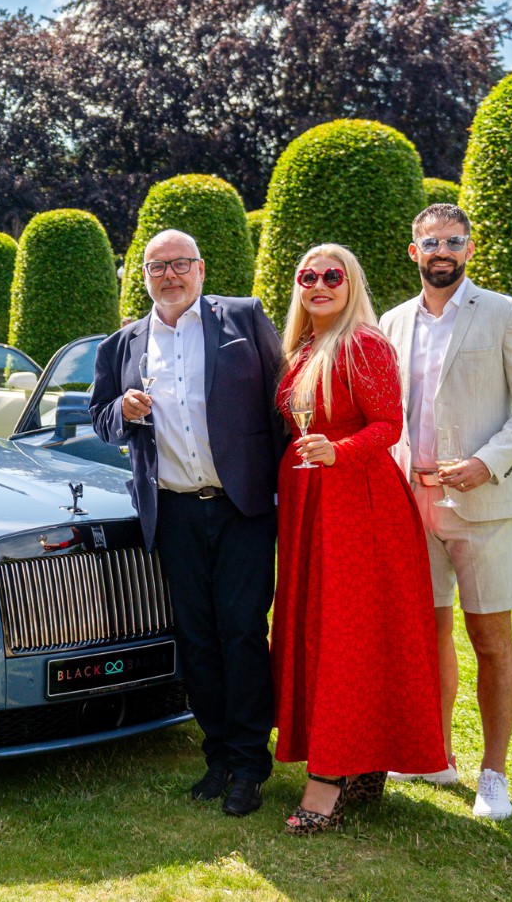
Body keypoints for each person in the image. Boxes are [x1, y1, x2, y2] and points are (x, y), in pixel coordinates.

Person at [89, 230, 286, 817]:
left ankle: (251, 763)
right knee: (196, 639)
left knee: (243, 630)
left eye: (179, 264)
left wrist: (285, 488)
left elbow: (282, 402)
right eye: (156, 267)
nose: (168, 275)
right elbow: (99, 418)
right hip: (172, 510)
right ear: (142, 277)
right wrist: (121, 411)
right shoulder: (123, 344)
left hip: (242, 507)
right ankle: (218, 756)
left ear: (200, 269)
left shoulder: (244, 319)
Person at [379, 204, 512, 820]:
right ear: (414, 251)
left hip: (482, 502)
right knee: (427, 634)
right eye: (430, 242)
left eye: (453, 241)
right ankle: (436, 754)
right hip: (410, 500)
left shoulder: (507, 313)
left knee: (490, 637)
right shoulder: (393, 322)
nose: (442, 251)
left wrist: (488, 462)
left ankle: (494, 775)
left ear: (470, 249)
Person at [271, 244, 447, 835]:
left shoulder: (364, 342)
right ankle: (361, 767)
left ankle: (330, 779)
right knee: (320, 628)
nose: (319, 284)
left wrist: (337, 451)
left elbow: (387, 425)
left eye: (332, 276)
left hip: (358, 507)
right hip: (311, 505)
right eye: (308, 276)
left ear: (352, 284)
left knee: (346, 635)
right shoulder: (302, 347)